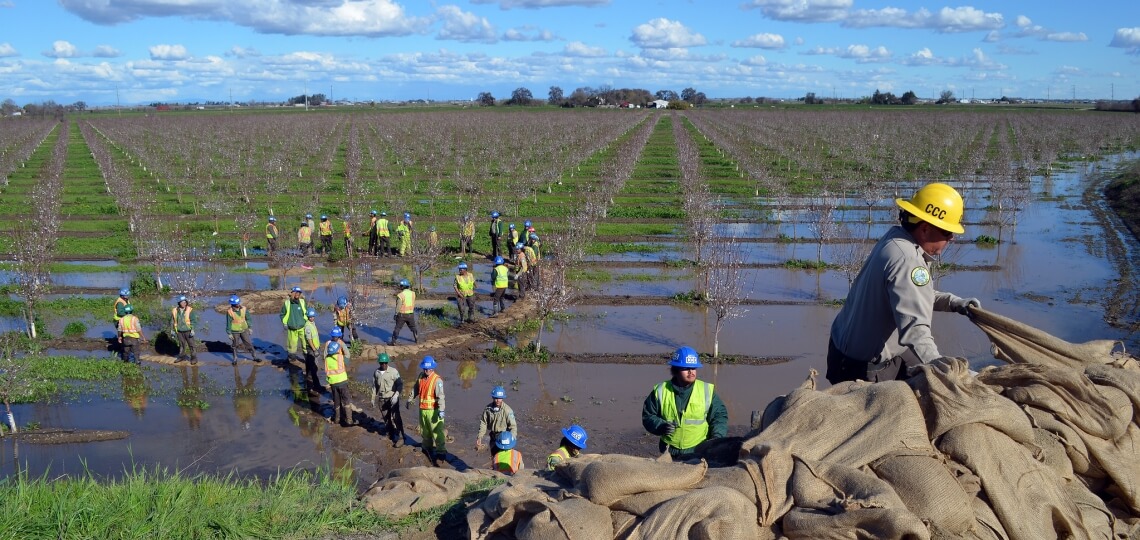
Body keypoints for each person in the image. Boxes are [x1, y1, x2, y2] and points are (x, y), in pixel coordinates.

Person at [827, 182, 981, 384]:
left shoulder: (896, 239)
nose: (952, 238)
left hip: (842, 348)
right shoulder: (908, 261)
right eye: (946, 232)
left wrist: (954, 302)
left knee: (915, 363)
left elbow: (909, 296)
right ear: (925, 229)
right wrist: (946, 372)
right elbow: (916, 332)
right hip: (861, 367)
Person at [642, 346, 728, 459]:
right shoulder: (661, 390)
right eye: (686, 368)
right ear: (676, 370)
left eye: (693, 368)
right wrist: (661, 426)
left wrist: (716, 438)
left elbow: (719, 416)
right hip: (669, 452)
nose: (691, 372)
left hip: (698, 451)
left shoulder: (706, 390)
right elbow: (648, 415)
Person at [406, 356, 447, 463]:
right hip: (422, 410)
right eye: (424, 368)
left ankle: (441, 452)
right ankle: (426, 447)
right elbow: (416, 388)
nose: (426, 370)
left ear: (432, 368)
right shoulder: (420, 376)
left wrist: (441, 410)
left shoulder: (437, 380)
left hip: (434, 411)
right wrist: (410, 399)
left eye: (428, 369)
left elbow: (441, 396)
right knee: (425, 430)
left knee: (437, 432)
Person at [371, 352, 406, 447]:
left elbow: (400, 384)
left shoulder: (393, 372)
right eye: (382, 363)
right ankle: (390, 434)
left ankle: (401, 436)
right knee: (386, 418)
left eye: (385, 363)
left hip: (392, 398)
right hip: (382, 399)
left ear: (388, 362)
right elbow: (375, 386)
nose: (384, 365)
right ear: (379, 363)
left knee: (396, 417)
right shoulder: (376, 373)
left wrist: (396, 395)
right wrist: (373, 398)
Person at [475, 386, 518, 457]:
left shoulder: (507, 410)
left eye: (500, 398)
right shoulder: (488, 409)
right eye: (496, 398)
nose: (498, 400)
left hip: (504, 438)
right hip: (493, 437)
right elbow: (483, 422)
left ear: (502, 398)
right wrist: (480, 437)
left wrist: (511, 440)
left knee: (505, 458)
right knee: (494, 456)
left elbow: (513, 427)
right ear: (492, 398)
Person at [324, 341, 352, 426]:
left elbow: (326, 371)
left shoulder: (327, 359)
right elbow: (347, 362)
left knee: (336, 401)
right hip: (342, 382)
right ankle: (349, 420)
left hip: (333, 383)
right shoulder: (340, 357)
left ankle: (337, 419)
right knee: (346, 400)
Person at [226, 295, 258, 364]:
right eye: (237, 303)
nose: (239, 304)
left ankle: (255, 357)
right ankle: (235, 359)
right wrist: (229, 333)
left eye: (238, 303)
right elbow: (228, 323)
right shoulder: (230, 312)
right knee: (235, 345)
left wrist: (250, 328)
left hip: (244, 329)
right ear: (233, 304)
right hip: (235, 331)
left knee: (248, 343)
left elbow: (248, 318)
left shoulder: (244, 309)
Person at [280, 286, 308, 362]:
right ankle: (292, 358)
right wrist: (284, 323)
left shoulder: (302, 302)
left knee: (305, 343)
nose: (297, 294)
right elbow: (282, 314)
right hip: (292, 328)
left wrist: (307, 323)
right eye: (296, 292)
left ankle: (307, 357)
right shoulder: (287, 303)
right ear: (292, 293)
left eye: (299, 293)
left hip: (302, 327)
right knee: (292, 345)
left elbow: (306, 313)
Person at [170, 295, 199, 364]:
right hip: (179, 331)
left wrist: (193, 329)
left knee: (191, 345)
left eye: (185, 302)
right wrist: (172, 330)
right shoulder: (174, 310)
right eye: (182, 302)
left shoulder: (190, 310)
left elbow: (194, 321)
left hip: (188, 331)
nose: (184, 303)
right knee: (181, 345)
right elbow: (172, 321)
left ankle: (193, 358)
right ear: (179, 303)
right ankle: (181, 357)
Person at [389, 279, 418, 345]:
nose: (400, 286)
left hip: (402, 315)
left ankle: (393, 342)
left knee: (397, 328)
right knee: (413, 327)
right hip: (411, 314)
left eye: (400, 285)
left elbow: (398, 306)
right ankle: (416, 337)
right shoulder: (413, 294)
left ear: (402, 286)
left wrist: (396, 314)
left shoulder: (400, 295)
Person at [302, 307, 323, 392]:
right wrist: (314, 349)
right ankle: (316, 386)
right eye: (310, 317)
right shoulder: (307, 326)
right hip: (311, 349)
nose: (312, 318)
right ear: (308, 317)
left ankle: (310, 385)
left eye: (313, 316)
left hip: (314, 347)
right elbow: (309, 339)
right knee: (313, 368)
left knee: (310, 367)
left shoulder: (312, 323)